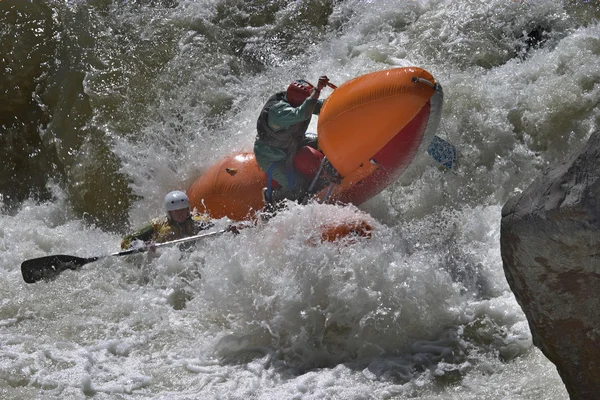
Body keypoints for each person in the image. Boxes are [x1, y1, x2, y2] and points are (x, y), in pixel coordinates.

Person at [254, 76, 331, 205]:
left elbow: (322, 106)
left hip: (292, 144)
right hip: (272, 157)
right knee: (298, 186)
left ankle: (330, 171)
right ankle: (271, 196)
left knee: (324, 143)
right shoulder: (278, 112)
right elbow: (302, 113)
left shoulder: (297, 100)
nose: (310, 100)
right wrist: (317, 89)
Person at [120, 190, 214, 250]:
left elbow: (217, 226)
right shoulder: (157, 225)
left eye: (183, 210)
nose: (180, 214)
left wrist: (227, 228)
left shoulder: (197, 220)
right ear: (169, 213)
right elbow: (126, 241)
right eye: (176, 211)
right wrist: (140, 245)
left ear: (188, 209)